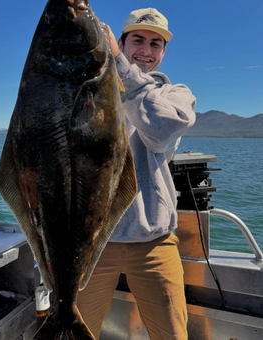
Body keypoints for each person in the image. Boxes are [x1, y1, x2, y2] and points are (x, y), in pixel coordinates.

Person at [77, 7, 196, 340]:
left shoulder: (175, 95)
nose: (146, 50)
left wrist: (118, 64)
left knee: (172, 334)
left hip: (154, 242)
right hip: (93, 242)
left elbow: (160, 130)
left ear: (163, 52)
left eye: (156, 44)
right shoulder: (89, 91)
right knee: (76, 330)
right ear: (122, 42)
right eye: (138, 40)